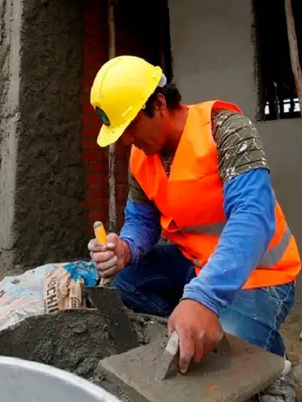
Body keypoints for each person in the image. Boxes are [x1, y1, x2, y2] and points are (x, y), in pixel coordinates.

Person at [88, 55, 300, 381]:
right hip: (196, 263)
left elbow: (252, 217)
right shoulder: (141, 156)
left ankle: (270, 360)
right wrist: (126, 248)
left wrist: (204, 298)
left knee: (220, 359)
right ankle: (193, 321)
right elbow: (141, 221)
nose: (127, 140)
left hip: (261, 274)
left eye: (129, 127)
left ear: (158, 105)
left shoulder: (226, 129)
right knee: (124, 285)